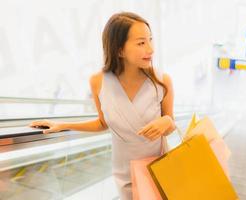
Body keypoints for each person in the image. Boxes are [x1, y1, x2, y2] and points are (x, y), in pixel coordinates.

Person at [30, 12, 175, 200]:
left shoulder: (161, 80)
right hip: (124, 171)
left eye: (150, 40)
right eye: (141, 43)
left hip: (158, 166)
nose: (151, 48)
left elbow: (171, 124)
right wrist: (64, 125)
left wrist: (167, 121)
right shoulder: (98, 82)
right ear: (119, 49)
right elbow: (103, 123)